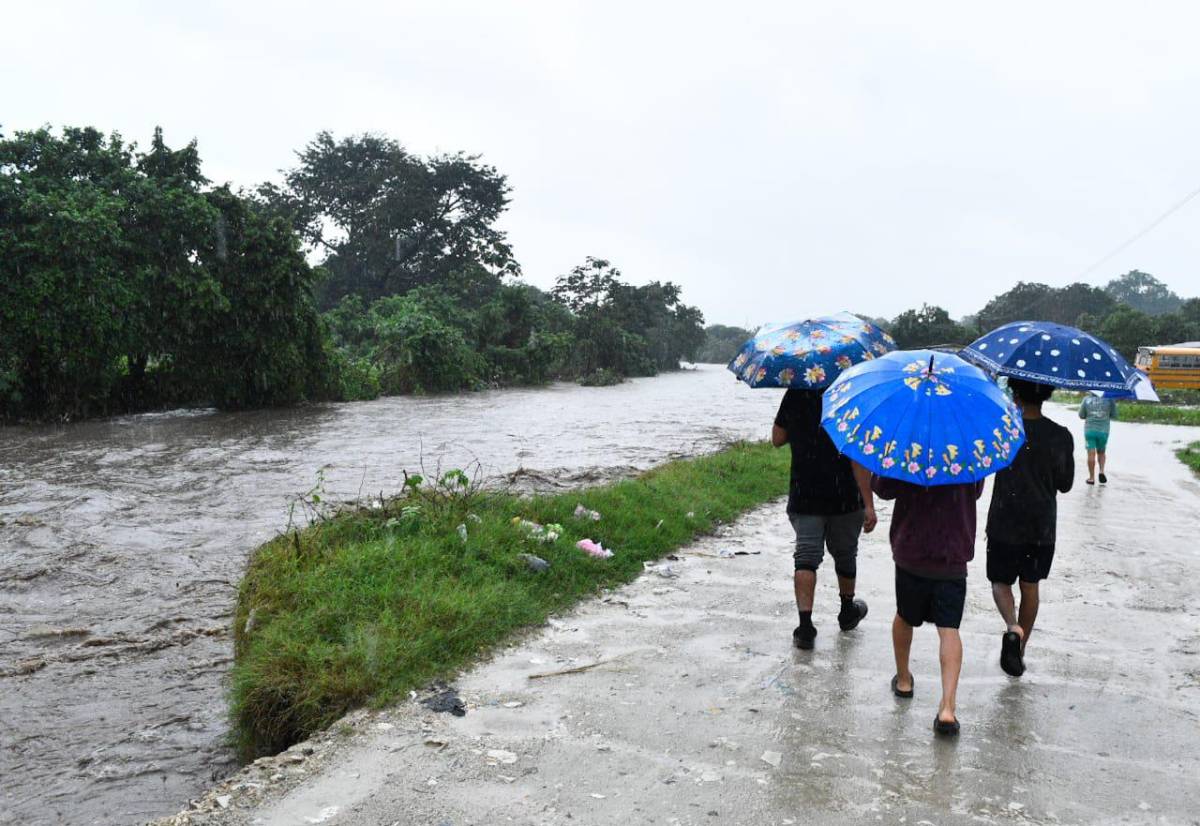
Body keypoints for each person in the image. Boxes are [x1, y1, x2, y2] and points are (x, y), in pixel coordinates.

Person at [872, 474, 985, 736]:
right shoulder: (967, 447)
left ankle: (903, 681)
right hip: (952, 553)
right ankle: (947, 708)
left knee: (904, 615)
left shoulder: (909, 443)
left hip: (912, 550)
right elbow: (976, 491)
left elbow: (883, 488)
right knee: (949, 629)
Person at [772, 388, 875, 650]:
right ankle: (847, 610)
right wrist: (869, 503)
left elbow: (777, 438)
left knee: (806, 556)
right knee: (845, 554)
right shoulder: (851, 394)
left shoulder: (795, 394)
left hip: (805, 494)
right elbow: (858, 458)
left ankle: (805, 627)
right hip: (845, 496)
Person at [987, 379, 1074, 676]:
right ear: (1048, 394)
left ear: (1014, 392)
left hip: (1003, 521)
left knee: (1000, 582)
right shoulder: (1061, 436)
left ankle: (1013, 628)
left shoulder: (1004, 431)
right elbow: (1065, 484)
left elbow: (984, 465)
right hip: (1041, 526)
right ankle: (1020, 652)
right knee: (1030, 585)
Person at [1078, 393, 1117, 484]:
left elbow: (1081, 415)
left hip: (1090, 431)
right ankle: (1101, 471)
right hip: (1103, 431)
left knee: (1091, 454)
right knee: (1101, 452)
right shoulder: (1110, 399)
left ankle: (1091, 478)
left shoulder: (1086, 399)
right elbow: (1114, 415)